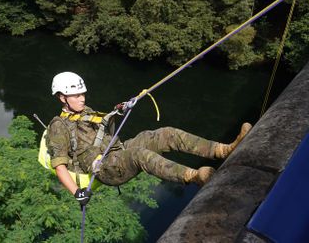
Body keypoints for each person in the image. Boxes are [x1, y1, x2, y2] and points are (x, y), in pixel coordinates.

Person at [46, 71, 252, 207]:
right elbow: (59, 166)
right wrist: (77, 193)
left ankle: (223, 150)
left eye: (83, 93)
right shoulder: (59, 126)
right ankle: (194, 176)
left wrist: (120, 109)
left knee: (163, 133)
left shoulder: (85, 110)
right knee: (139, 154)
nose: (82, 98)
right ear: (61, 97)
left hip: (117, 152)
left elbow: (102, 125)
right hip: (104, 168)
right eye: (75, 96)